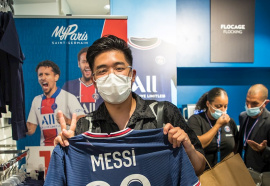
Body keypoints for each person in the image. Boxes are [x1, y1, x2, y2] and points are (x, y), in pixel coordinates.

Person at [55, 35, 205, 176]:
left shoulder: (164, 113)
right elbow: (75, 180)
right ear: (94, 81)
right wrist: (65, 152)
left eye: (119, 68)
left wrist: (188, 147)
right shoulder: (85, 128)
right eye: (102, 71)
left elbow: (199, 168)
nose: (111, 76)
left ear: (132, 75)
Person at [26, 60, 85, 146]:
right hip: (44, 152)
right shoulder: (36, 100)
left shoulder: (68, 97)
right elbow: (30, 130)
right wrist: (16, 120)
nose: (43, 78)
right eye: (40, 75)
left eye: (47, 74)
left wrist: (68, 121)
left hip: (65, 148)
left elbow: (84, 123)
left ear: (56, 77)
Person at [238, 84, 270, 173]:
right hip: (241, 171)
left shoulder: (269, 121)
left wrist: (263, 150)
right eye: (247, 102)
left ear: (265, 103)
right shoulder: (243, 116)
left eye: (254, 103)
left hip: (261, 175)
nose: (249, 107)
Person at [62, 47, 103, 114]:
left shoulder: (104, 85)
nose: (87, 65)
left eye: (90, 62)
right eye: (84, 62)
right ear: (79, 64)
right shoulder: (68, 86)